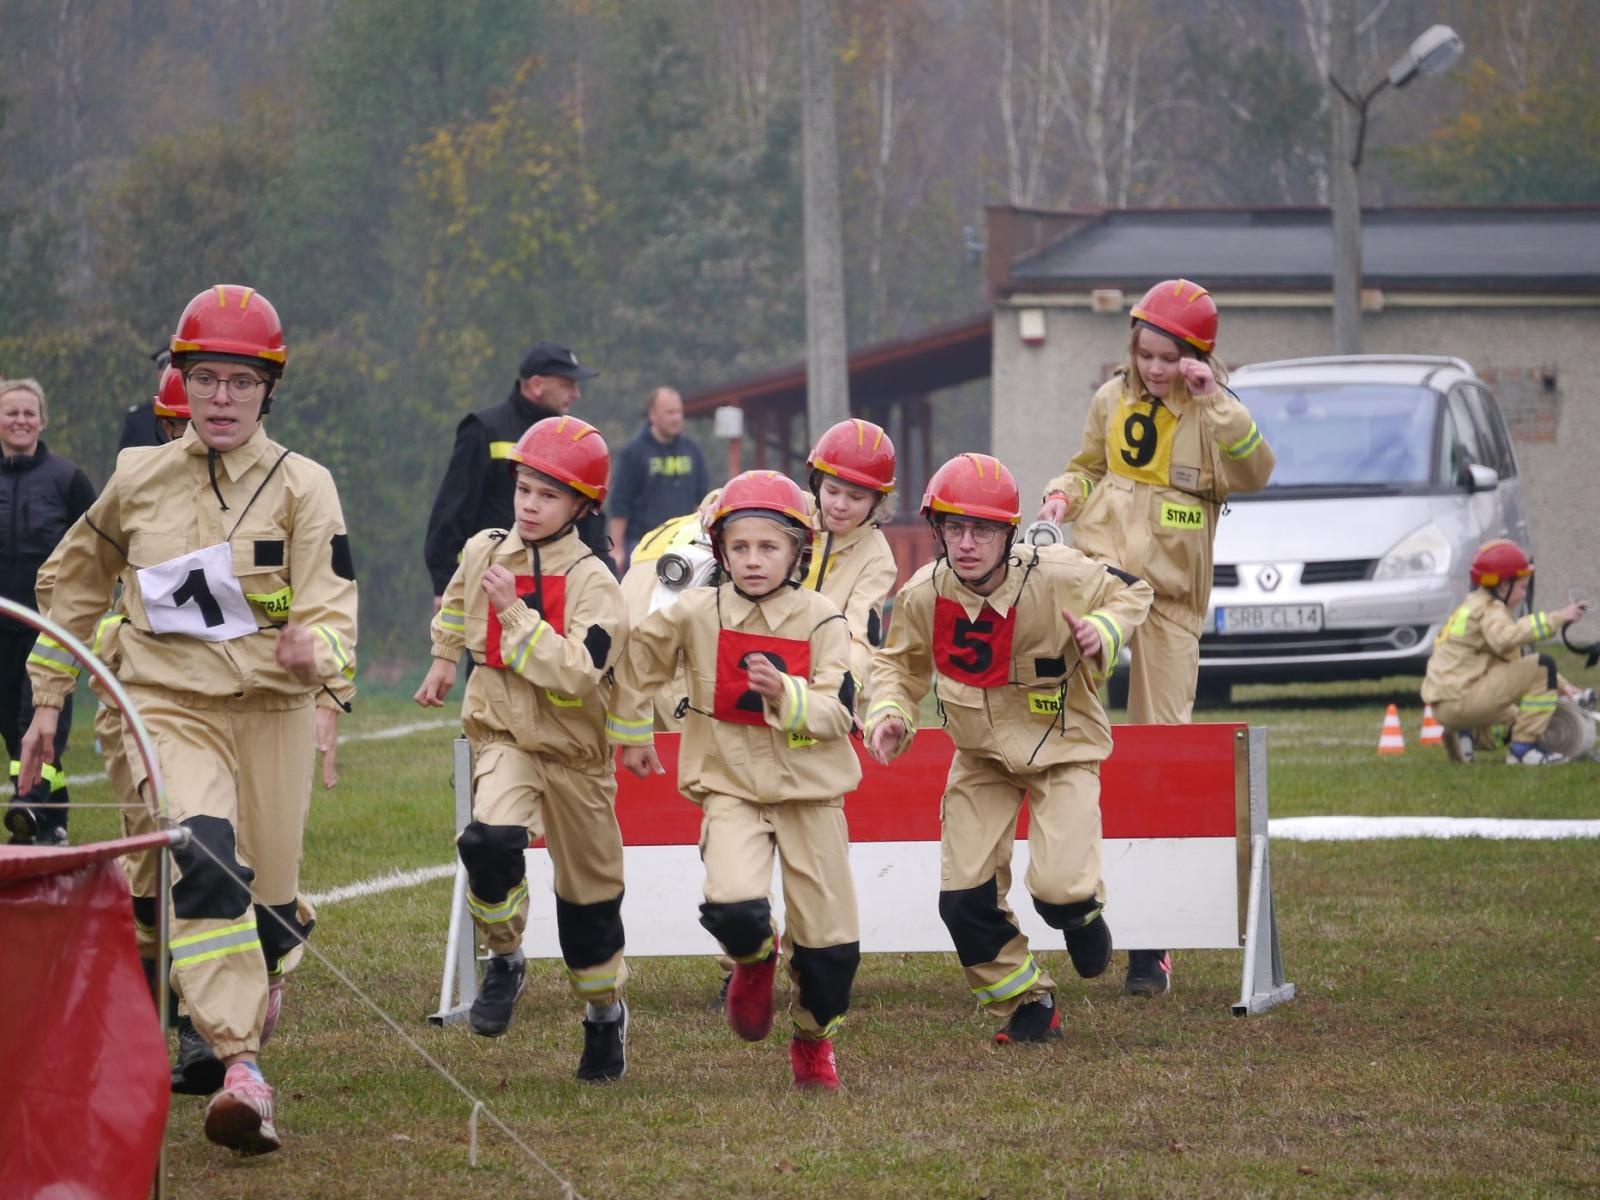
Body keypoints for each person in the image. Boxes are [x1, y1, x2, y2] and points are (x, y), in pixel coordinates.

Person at [20, 283, 357, 1156]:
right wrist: (48, 699)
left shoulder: (305, 487)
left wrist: (311, 656)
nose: (221, 398)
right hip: (167, 707)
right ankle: (239, 1065)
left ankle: (270, 955)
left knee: (270, 908)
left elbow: (334, 611)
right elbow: (71, 583)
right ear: (181, 382)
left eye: (241, 382)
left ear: (268, 390)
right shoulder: (137, 479)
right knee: (202, 857)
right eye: (205, 378)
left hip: (271, 715)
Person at [1036, 278, 1274, 999]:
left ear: (1198, 355)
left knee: (1163, 742)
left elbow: (1258, 473)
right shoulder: (1112, 397)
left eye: (1170, 357)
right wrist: (1061, 495)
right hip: (1100, 581)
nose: (1155, 368)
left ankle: (1153, 943)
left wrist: (1218, 400)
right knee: (1072, 731)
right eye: (1145, 354)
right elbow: (1086, 470)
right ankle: (1076, 889)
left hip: (1170, 595)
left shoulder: (1214, 409)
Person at [865, 453, 1152, 1044]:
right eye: (954, 528)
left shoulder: (1060, 574)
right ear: (937, 530)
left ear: (1009, 533)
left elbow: (1134, 592)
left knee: (1059, 891)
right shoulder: (923, 593)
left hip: (1064, 749)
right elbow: (898, 666)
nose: (968, 543)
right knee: (962, 901)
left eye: (984, 529)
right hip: (979, 759)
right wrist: (891, 712)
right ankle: (1025, 1003)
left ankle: (1081, 914)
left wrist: (1104, 631)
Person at [609, 470, 862, 1090]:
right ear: (720, 551)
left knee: (831, 959)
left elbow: (838, 711)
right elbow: (637, 661)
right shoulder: (695, 610)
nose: (753, 561)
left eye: (769, 547)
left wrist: (791, 696)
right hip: (730, 788)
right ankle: (754, 962)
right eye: (740, 547)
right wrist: (633, 731)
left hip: (811, 795)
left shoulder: (824, 618)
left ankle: (811, 1039)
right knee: (732, 907)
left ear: (798, 553)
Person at [414, 415, 631, 1081]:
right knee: (487, 842)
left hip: (576, 757)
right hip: (504, 737)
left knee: (588, 913)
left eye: (548, 495)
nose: (529, 506)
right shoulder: (484, 551)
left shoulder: (598, 583)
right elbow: (456, 602)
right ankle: (504, 957)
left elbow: (574, 671)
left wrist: (514, 614)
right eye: (524, 490)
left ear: (581, 506)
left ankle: (603, 1019)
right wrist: (445, 658)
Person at [703, 417, 901, 1008]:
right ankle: (739, 962)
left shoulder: (877, 561)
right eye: (832, 489)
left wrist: (844, 692)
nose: (839, 505)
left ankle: (813, 962)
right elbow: (722, 506)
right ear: (814, 481)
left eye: (857, 496)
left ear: (878, 503)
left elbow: (862, 635)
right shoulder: (787, 511)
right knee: (733, 841)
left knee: (813, 852)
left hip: (812, 701)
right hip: (740, 686)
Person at [424, 340, 610, 606]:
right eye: (568, 384)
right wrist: (444, 585)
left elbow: (588, 513)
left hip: (560, 585)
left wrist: (606, 573)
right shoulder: (484, 429)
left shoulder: (572, 437)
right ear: (536, 384)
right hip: (493, 585)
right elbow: (452, 510)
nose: (576, 393)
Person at [0, 377, 95, 845]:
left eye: (28, 412)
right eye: (11, 412)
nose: (20, 420)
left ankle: (27, 811)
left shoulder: (68, 479)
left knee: (34, 724)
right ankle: (51, 817)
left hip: (49, 631)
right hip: (0, 631)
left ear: (43, 419)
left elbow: (98, 548)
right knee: (10, 732)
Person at [1422, 539, 1594, 765]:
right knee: (1545, 664)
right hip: (1463, 700)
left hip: (1444, 705)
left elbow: (1515, 661)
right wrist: (1559, 617)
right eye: (1522, 587)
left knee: (1518, 719)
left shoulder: (1470, 605)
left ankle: (1467, 735)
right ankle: (1523, 750)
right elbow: (1509, 641)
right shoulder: (1490, 610)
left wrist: (1564, 687)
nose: (1523, 595)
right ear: (1503, 586)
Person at [606, 386, 709, 570]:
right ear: (652, 415)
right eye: (670, 412)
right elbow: (620, 504)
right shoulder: (633, 453)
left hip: (684, 545)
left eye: (679, 412)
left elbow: (700, 502)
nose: (677, 418)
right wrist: (617, 549)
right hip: (644, 545)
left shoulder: (692, 450)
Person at [117, 347, 171, 451]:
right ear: (159, 374)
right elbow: (125, 463)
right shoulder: (138, 419)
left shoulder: (198, 416)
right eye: (166, 369)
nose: (172, 375)